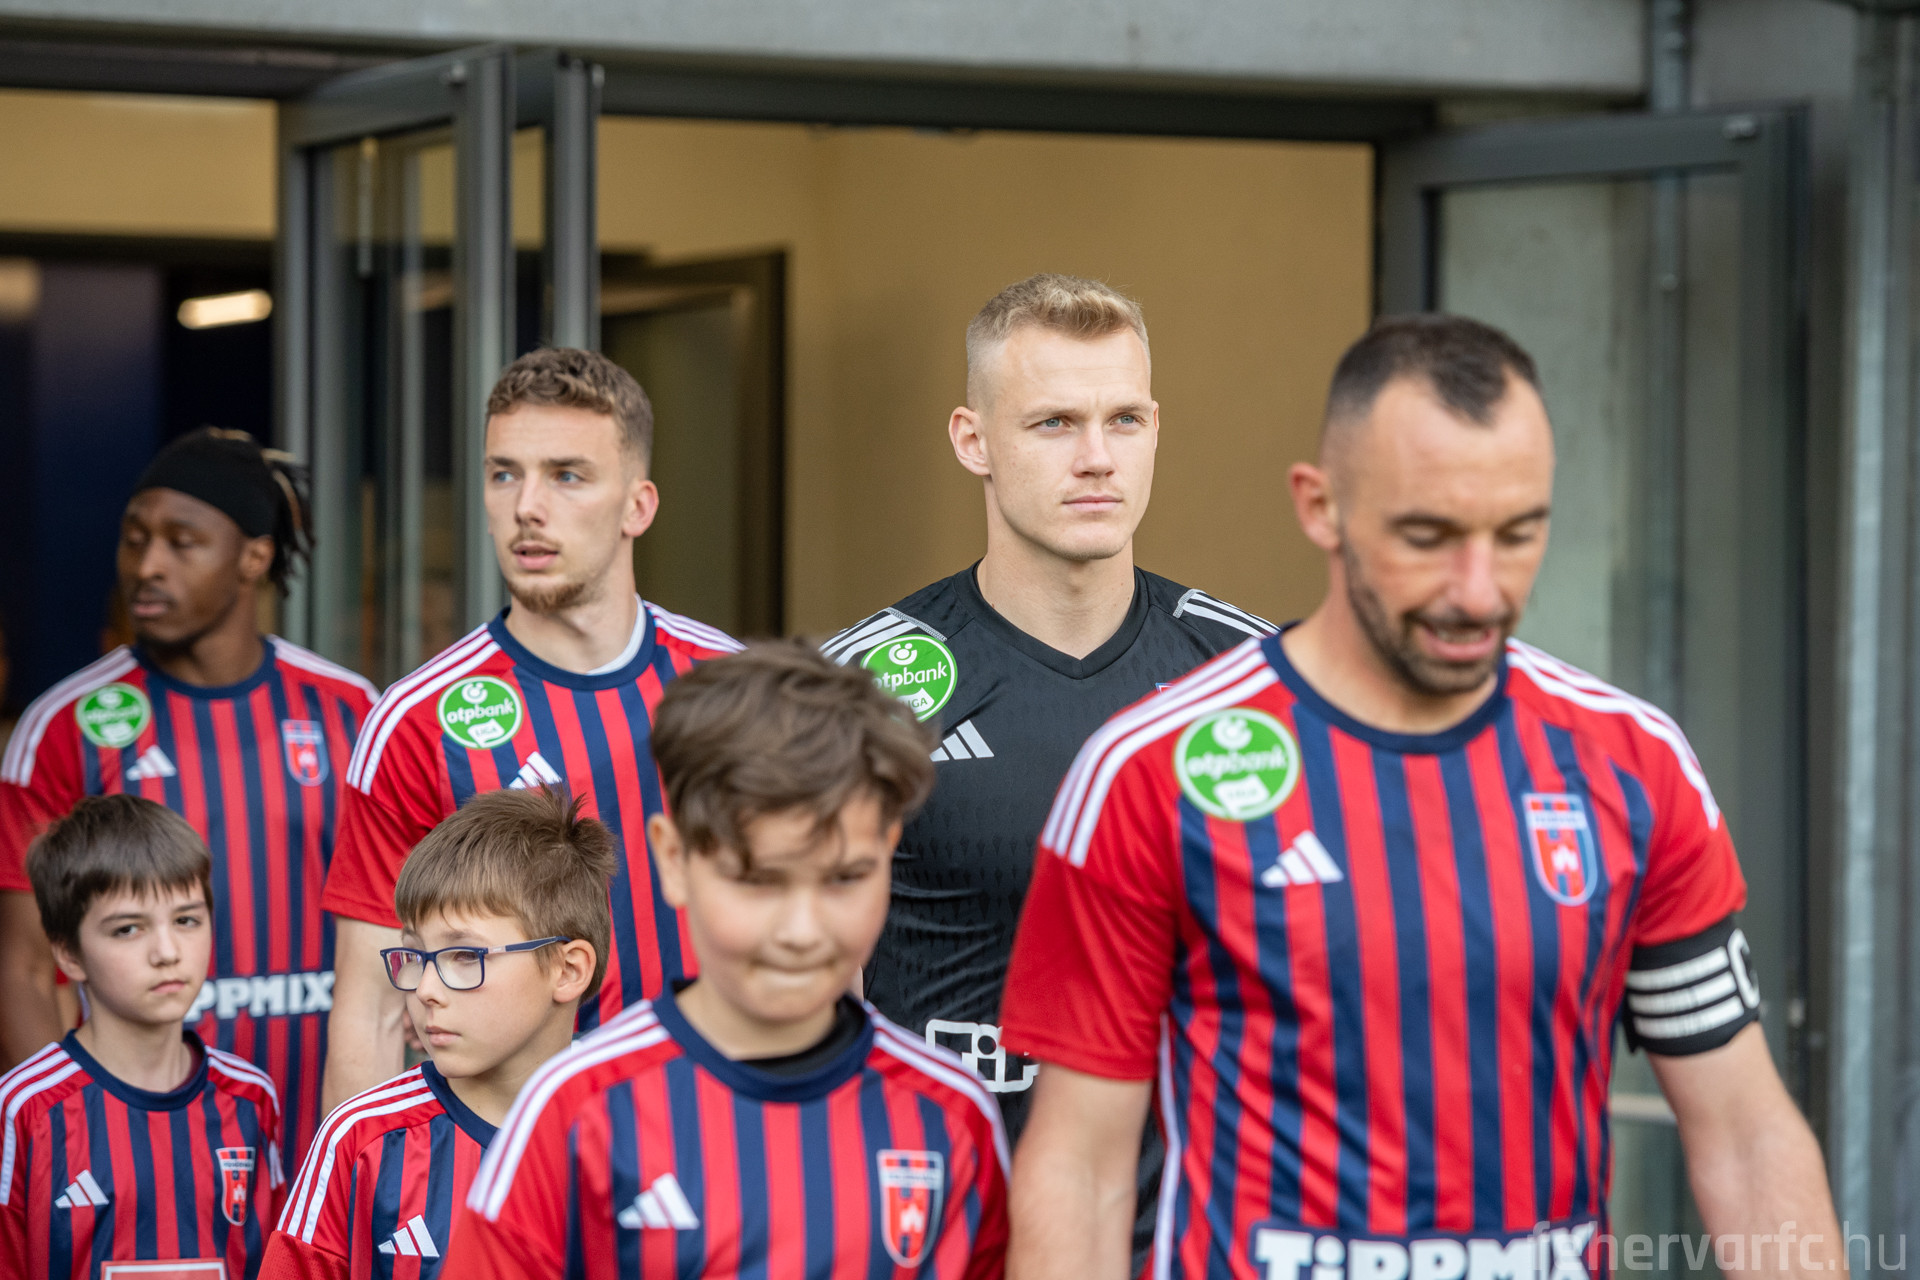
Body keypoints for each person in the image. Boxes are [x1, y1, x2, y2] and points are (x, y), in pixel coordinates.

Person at [999, 315, 1845, 1279]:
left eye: (1517, 534)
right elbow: (1081, 1169)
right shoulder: (1148, 772)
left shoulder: (1633, 765)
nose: (1477, 591)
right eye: (1427, 536)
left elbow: (1745, 1135)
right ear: (1321, 508)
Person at [823, 273, 1272, 1263]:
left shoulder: (1252, 678)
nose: (1097, 456)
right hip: (937, 1236)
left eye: (1125, 419)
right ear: (972, 439)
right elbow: (801, 997)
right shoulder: (858, 687)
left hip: (1188, 1240)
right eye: (1054, 422)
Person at [439, 642, 1008, 1279]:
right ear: (675, 860)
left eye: (845, 877)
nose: (802, 930)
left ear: (889, 851)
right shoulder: (576, 1112)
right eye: (757, 881)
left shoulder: (951, 1114)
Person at [321, 347, 741, 1112]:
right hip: (508, 1154)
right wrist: (358, 1187)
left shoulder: (736, 689)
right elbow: (374, 1011)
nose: (527, 508)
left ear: (638, 506)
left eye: (567, 476)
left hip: (713, 1135)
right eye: (504, 474)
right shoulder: (417, 721)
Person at [0, 429, 377, 1167]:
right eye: (135, 539)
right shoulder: (64, 728)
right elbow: (22, 970)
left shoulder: (350, 712)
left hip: (321, 1147)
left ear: (253, 558)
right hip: (136, 1162)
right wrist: (79, 1144)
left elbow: (407, 940)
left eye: (182, 543)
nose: (147, 566)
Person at [260, 786, 612, 1280]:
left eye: (465, 956)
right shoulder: (360, 1140)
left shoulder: (645, 1131)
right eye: (415, 955)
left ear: (567, 969)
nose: (425, 989)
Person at [1, 794, 284, 1280]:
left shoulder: (250, 1097)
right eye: (129, 929)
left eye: (186, 920)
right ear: (68, 954)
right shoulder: (25, 1108)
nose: (167, 952)